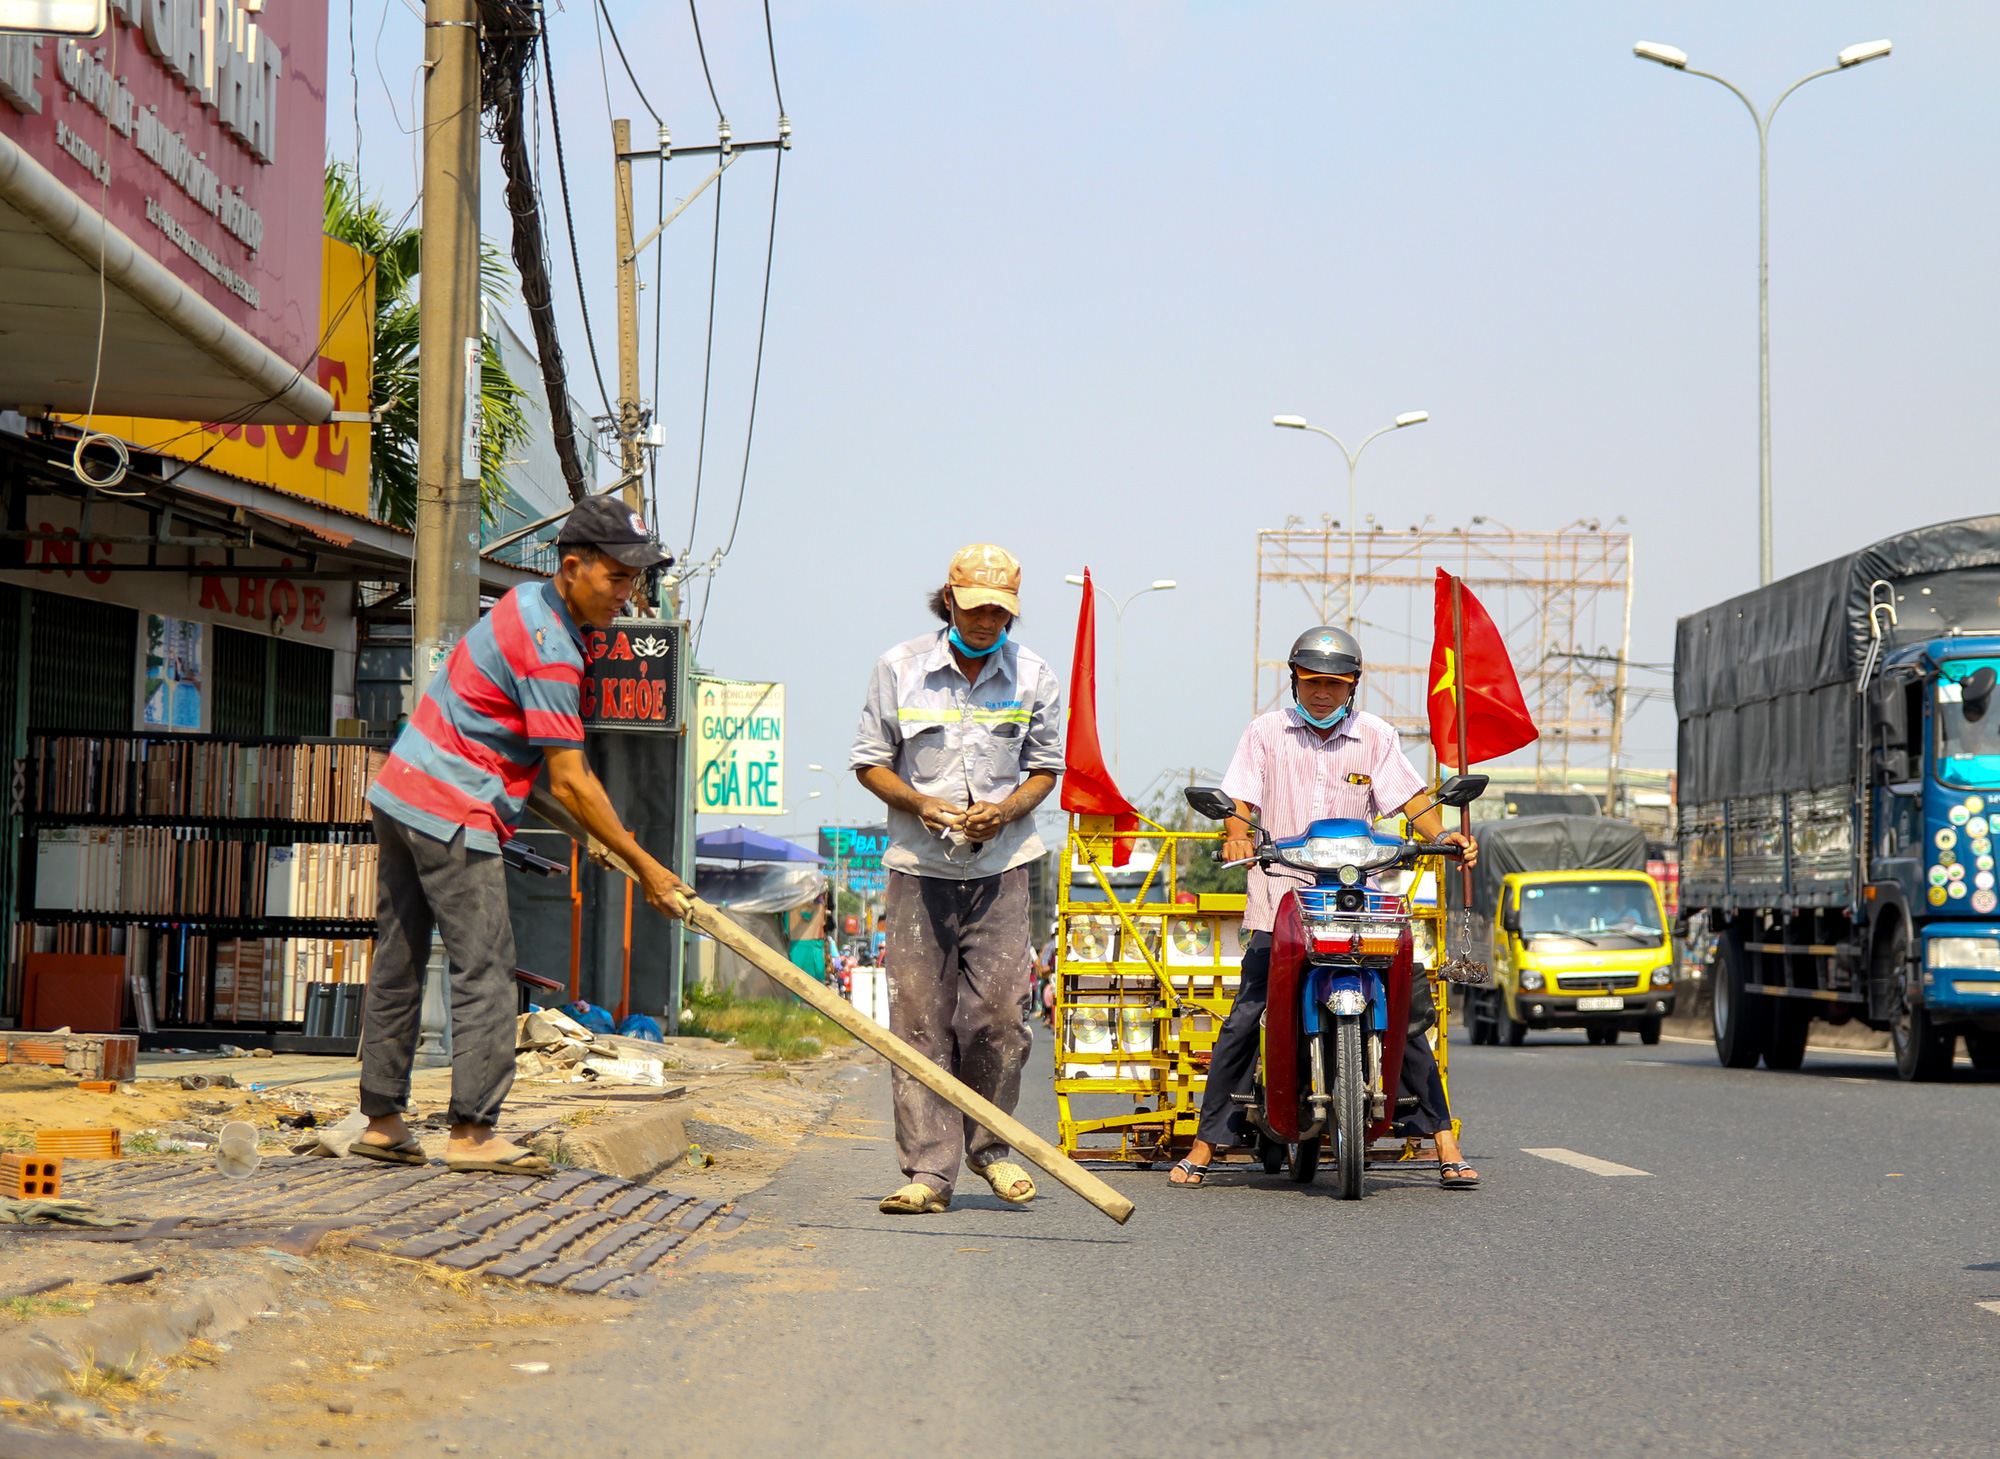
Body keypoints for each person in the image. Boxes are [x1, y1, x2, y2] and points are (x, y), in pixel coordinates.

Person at [358, 495, 690, 1173]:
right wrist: (646, 866)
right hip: (452, 809)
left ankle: (384, 1121)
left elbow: (528, 754)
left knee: (398, 957)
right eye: (617, 579)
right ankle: (473, 1132)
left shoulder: (523, 604)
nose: (627, 596)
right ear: (572, 566)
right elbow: (569, 777)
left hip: (400, 792)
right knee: (484, 966)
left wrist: (593, 835)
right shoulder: (551, 649)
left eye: (634, 580)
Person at [1170, 626, 1484, 1191]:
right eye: (1313, 682)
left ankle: (1443, 1141)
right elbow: (1240, 799)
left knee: (1410, 1014)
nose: (1322, 694)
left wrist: (1447, 837)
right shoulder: (1264, 734)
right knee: (1247, 1016)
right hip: (1281, 900)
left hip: (1364, 901)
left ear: (1353, 686)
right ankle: (1207, 1141)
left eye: (1335, 685)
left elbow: (1412, 801)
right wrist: (1238, 834)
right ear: (1294, 680)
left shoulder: (1376, 736)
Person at [851, 544, 1063, 1214]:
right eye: (975, 607)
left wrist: (1004, 811)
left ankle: (991, 1149)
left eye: (1000, 609)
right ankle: (928, 1172)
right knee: (919, 1022)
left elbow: (1044, 768)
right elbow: (869, 761)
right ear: (949, 599)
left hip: (1001, 869)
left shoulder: (1034, 676)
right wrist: (920, 802)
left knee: (999, 1019)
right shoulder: (899, 666)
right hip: (919, 868)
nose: (986, 620)